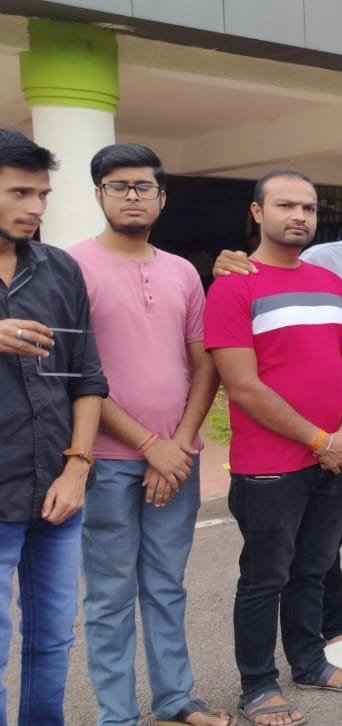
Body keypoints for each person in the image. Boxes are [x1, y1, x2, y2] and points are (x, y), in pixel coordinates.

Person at [213, 167, 342, 668]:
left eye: (307, 208)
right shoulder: (316, 261)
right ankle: (331, 633)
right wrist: (226, 260)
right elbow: (266, 278)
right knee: (315, 547)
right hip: (313, 437)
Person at [205, 169, 342, 726]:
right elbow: (243, 386)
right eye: (284, 205)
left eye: (307, 206)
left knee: (313, 569)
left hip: (333, 458)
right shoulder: (234, 287)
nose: (299, 215)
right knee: (265, 579)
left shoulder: (330, 282)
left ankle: (309, 662)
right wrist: (321, 440)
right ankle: (257, 686)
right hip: (270, 469)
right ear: (258, 212)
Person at [69, 144, 227, 726]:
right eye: (119, 186)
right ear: (99, 195)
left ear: (162, 197)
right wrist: (147, 445)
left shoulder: (182, 271)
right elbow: (77, 374)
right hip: (106, 461)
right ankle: (117, 715)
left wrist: (177, 444)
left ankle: (175, 698)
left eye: (143, 186)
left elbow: (204, 363)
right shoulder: (71, 267)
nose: (132, 196)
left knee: (166, 586)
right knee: (109, 596)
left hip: (177, 460)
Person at [0, 129, 107, 725]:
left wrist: (77, 467)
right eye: (20, 193)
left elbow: (87, 377)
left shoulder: (60, 270)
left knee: (53, 638)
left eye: (42, 194)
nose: (36, 207)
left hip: (56, 492)